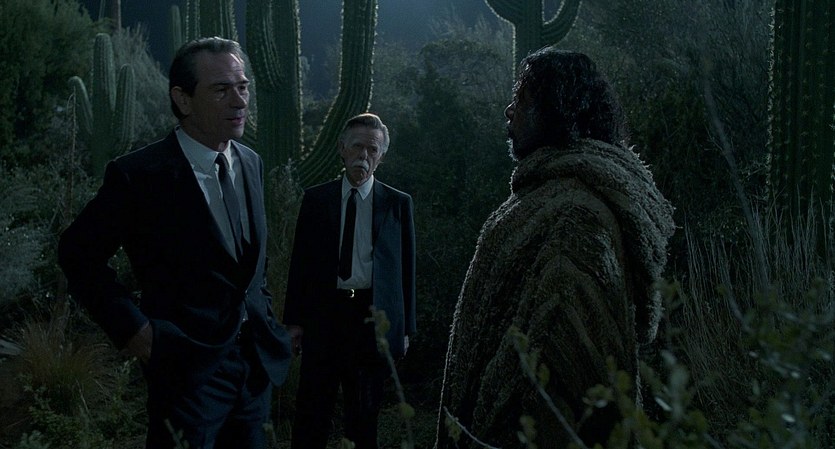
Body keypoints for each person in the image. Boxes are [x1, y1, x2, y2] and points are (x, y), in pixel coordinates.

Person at [434, 48, 676, 448]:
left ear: (555, 108)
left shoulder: (575, 213)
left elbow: (572, 356)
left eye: (522, 97)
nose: (509, 110)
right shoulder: (546, 192)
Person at [58, 37, 292, 449]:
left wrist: (267, 318)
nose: (239, 101)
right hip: (186, 370)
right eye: (221, 90)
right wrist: (135, 330)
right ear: (183, 100)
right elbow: (77, 254)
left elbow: (247, 266)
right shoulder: (139, 175)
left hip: (255, 367)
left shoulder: (250, 162)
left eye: (243, 86)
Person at [283, 113, 416, 449]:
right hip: (324, 315)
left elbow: (406, 270)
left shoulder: (397, 204)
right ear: (342, 148)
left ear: (381, 156)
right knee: (312, 411)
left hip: (370, 318)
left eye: (372, 149)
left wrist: (404, 329)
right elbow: (301, 264)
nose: (364, 155)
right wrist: (294, 322)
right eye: (357, 147)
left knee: (364, 416)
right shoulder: (317, 200)